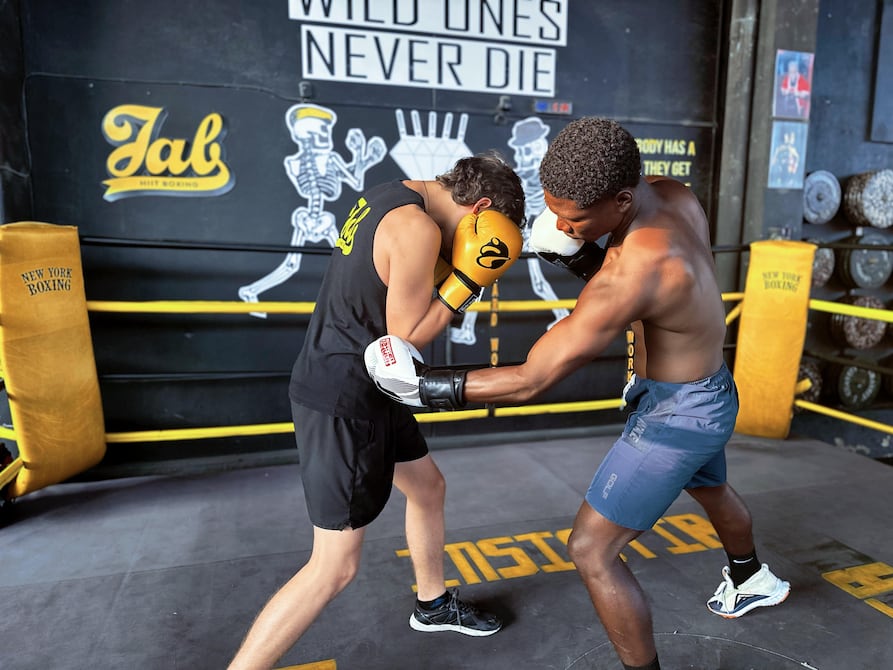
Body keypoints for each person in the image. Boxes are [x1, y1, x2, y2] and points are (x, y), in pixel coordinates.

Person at [365, 117, 790, 670]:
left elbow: (532, 378)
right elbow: (653, 297)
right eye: (555, 210)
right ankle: (750, 574)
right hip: (708, 390)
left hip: (677, 417)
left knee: (591, 550)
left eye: (576, 218)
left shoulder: (634, 270)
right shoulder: (671, 195)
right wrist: (579, 253)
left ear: (619, 198)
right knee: (712, 489)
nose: (562, 224)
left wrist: (426, 388)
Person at [227, 153, 526, 670]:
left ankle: (432, 606)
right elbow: (402, 341)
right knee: (334, 567)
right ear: (480, 208)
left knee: (428, 488)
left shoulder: (391, 193)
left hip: (371, 386)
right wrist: (466, 282)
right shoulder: (417, 230)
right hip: (348, 399)